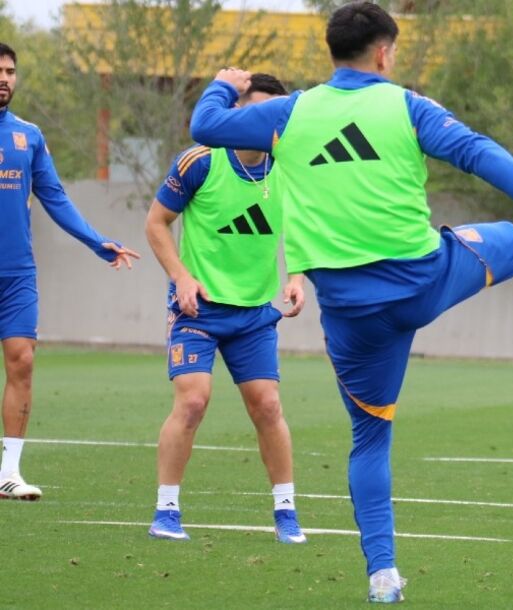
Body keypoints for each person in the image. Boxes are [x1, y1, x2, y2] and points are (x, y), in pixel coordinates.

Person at [187, 3, 513, 603]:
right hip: (424, 279)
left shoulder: (288, 113)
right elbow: (479, 152)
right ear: (384, 52)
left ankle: (382, 574)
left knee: (369, 439)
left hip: (349, 311)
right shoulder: (405, 104)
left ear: (332, 52)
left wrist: (223, 85)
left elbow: (205, 127)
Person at [144, 74, 307, 543]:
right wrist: (181, 277)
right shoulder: (200, 162)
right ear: (237, 113)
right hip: (199, 310)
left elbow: (300, 227)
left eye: (278, 114)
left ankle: (286, 512)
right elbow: (156, 224)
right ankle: (167, 511)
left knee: (268, 406)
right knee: (193, 401)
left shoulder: (289, 165)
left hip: (255, 314)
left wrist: (296, 277)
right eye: (260, 111)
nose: (270, 122)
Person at [0, 42, 139, 501]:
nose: (5, 78)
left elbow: (55, 197)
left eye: (10, 71)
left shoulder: (29, 135)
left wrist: (98, 242)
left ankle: (9, 472)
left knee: (22, 361)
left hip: (16, 272)